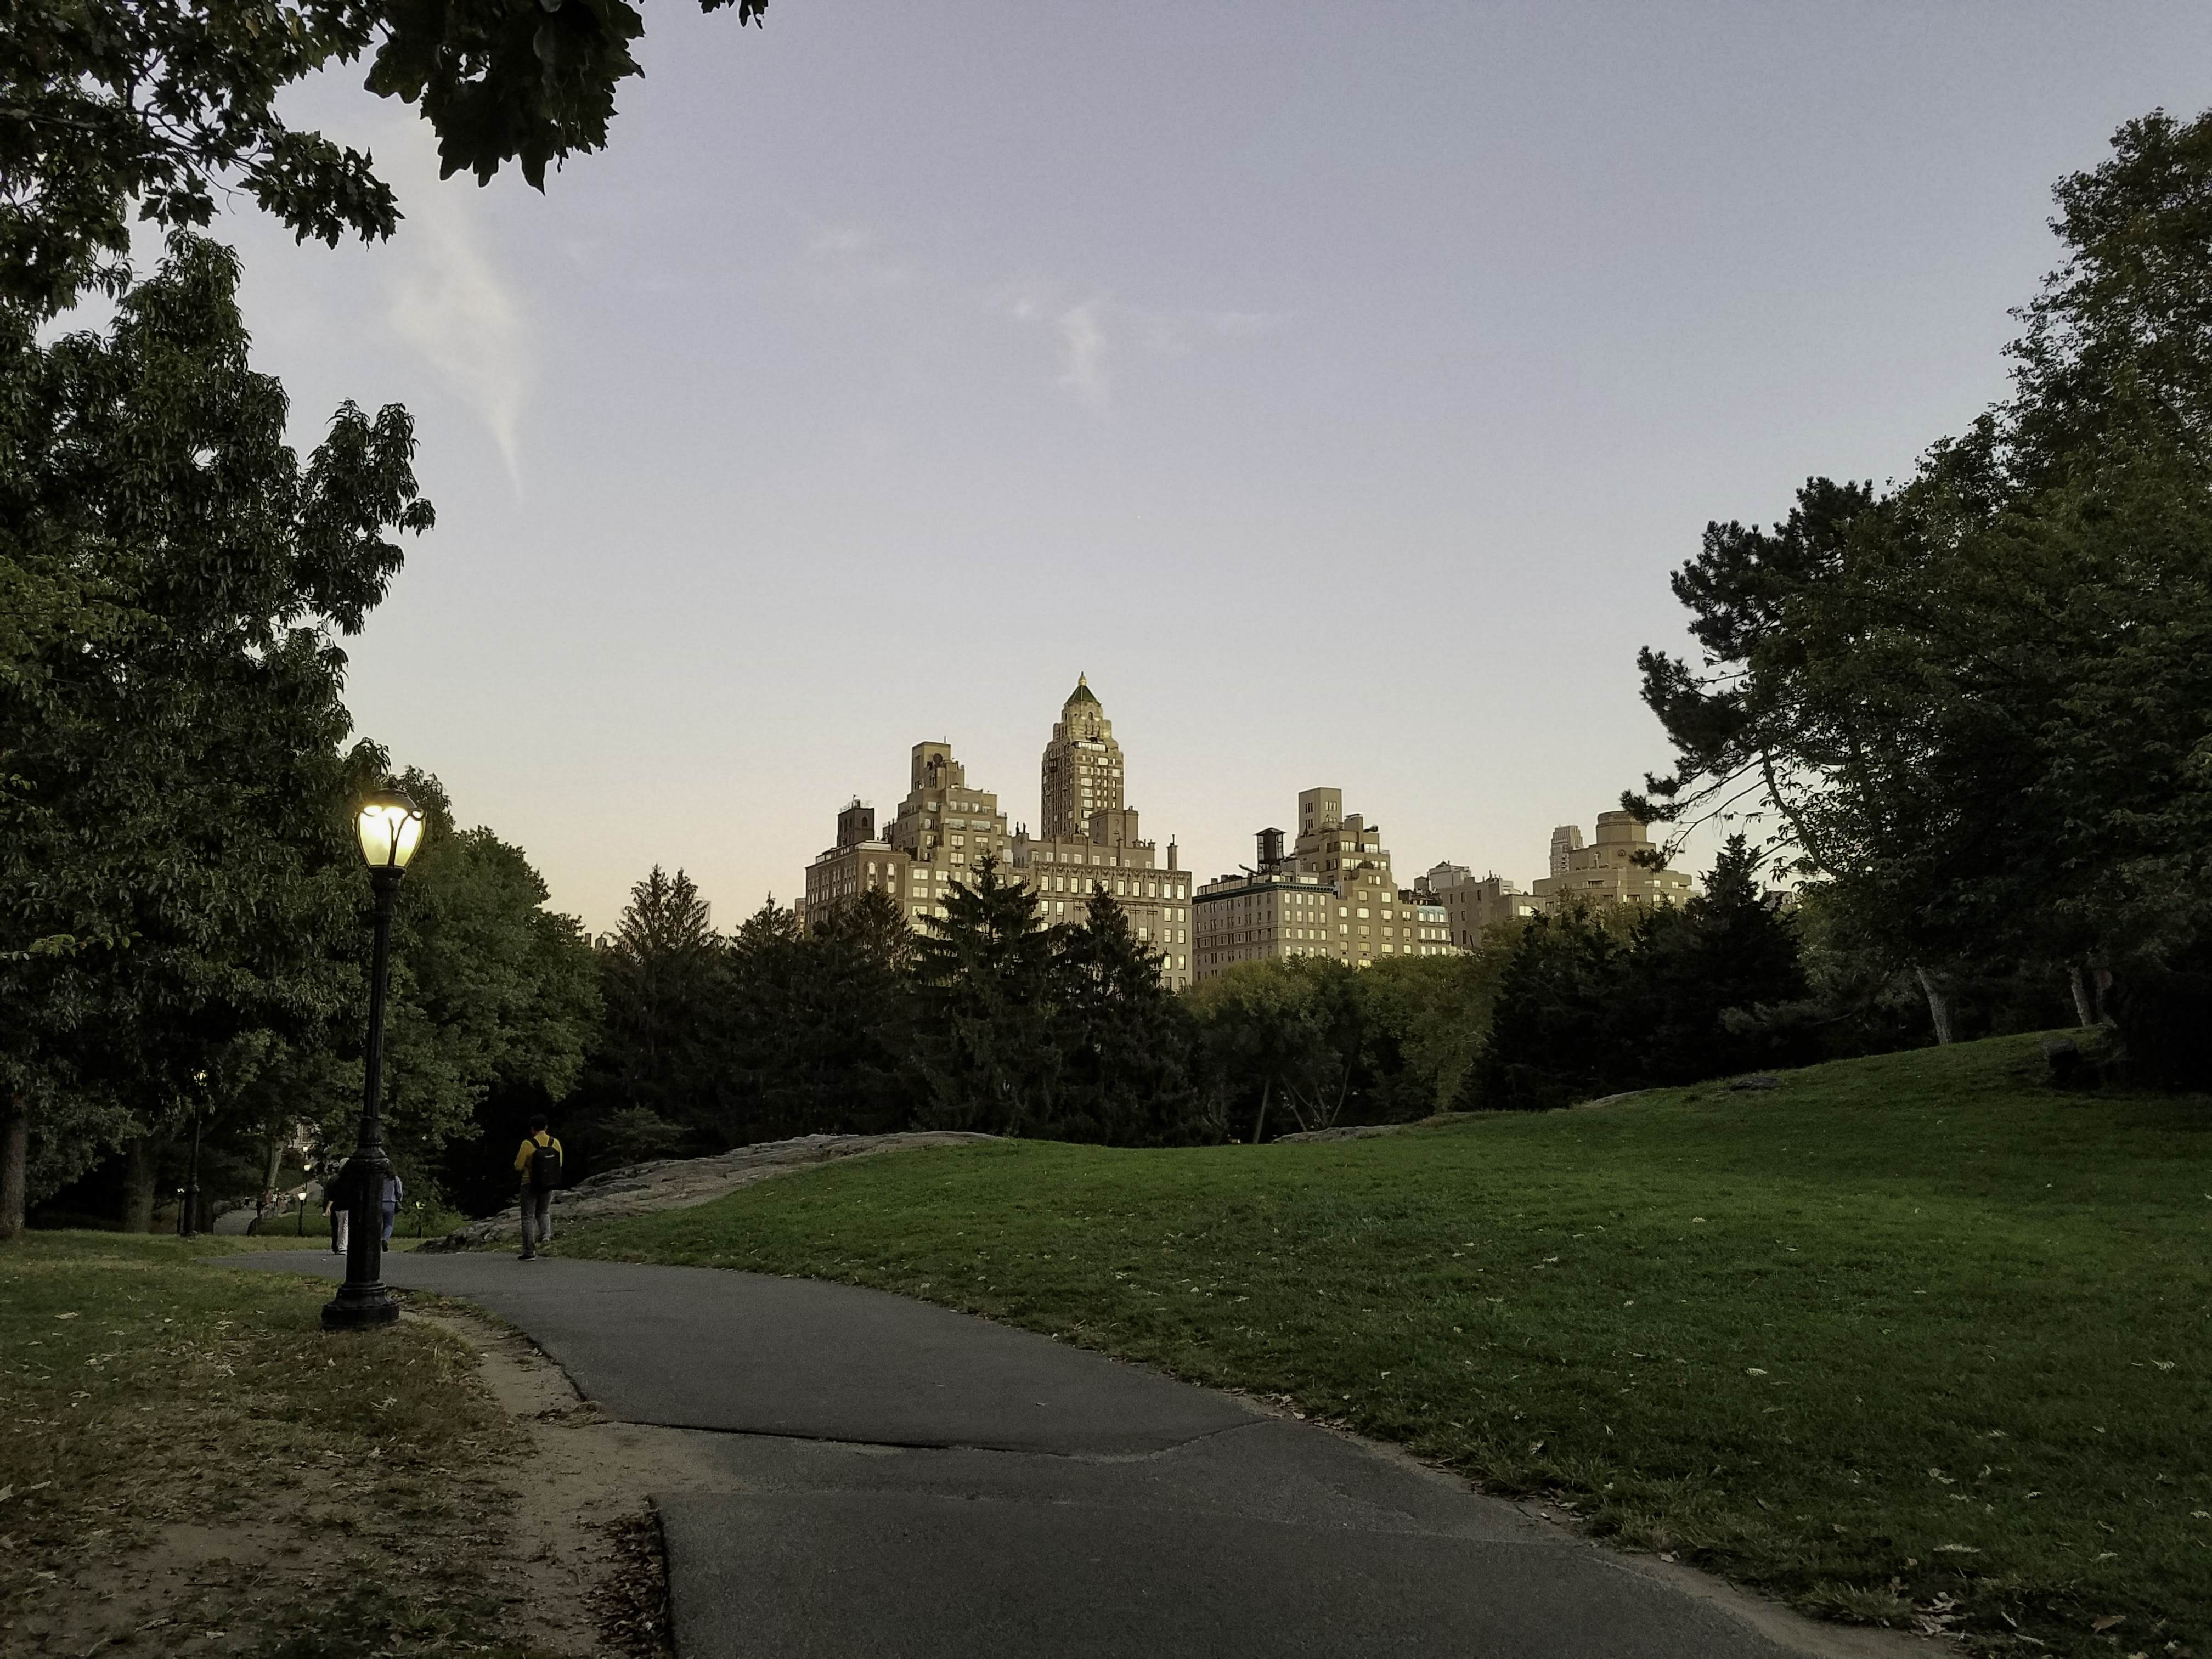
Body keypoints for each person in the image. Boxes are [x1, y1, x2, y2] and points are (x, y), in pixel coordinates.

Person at [513, 1114, 565, 1261]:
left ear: (532, 1129)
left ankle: (529, 1251)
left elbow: (518, 1166)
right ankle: (546, 1238)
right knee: (544, 1211)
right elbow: (559, 1164)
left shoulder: (528, 1144)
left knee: (528, 1216)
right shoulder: (555, 1143)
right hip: (549, 1183)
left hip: (529, 1183)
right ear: (546, 1128)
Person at [379, 1171, 404, 1246]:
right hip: (390, 1203)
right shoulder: (395, 1179)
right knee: (389, 1224)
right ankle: (385, 1239)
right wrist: (399, 1199)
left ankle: (377, 1240)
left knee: (379, 1223)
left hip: (379, 1203)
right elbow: (399, 1192)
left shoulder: (379, 1178)